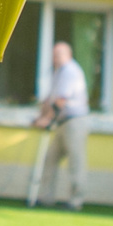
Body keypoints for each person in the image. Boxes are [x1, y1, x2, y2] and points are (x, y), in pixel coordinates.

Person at [33, 39, 91, 211]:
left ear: (67, 54)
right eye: (53, 55)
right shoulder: (58, 73)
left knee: (76, 162)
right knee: (49, 160)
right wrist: (40, 116)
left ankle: (76, 201)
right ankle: (46, 198)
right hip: (61, 122)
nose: (54, 58)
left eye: (57, 55)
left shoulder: (71, 71)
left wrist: (47, 119)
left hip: (75, 122)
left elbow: (60, 101)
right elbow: (50, 99)